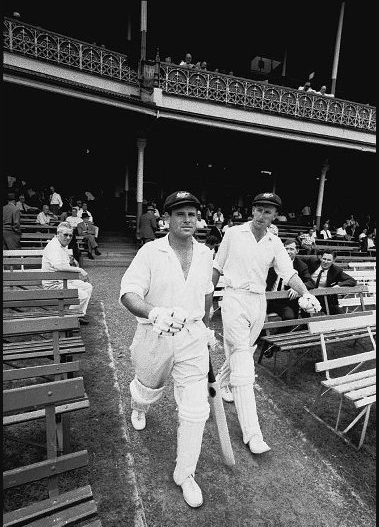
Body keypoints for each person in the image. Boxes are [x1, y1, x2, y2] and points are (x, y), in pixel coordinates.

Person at [119, 190, 215, 508]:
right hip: (154, 334)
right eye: (180, 214)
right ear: (168, 219)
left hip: (191, 338)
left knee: (196, 409)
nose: (187, 220)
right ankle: (140, 406)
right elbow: (129, 292)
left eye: (192, 214)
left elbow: (206, 294)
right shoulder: (150, 251)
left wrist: (206, 325)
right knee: (146, 388)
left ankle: (185, 473)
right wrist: (154, 312)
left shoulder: (205, 254)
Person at [212, 192, 321, 448]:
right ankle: (253, 433)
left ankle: (218, 382)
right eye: (259, 209)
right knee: (243, 362)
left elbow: (289, 272)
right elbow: (217, 266)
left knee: (243, 351)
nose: (262, 215)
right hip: (234, 297)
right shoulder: (233, 234)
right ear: (252, 211)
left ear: (275, 216)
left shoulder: (274, 241)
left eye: (268, 211)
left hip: (258, 302)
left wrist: (307, 294)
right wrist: (204, 298)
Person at [41, 221, 93, 324]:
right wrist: (80, 269)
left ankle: (78, 315)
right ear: (58, 234)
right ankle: (69, 319)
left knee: (88, 287)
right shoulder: (54, 246)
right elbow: (58, 266)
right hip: (53, 284)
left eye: (70, 235)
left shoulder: (61, 245)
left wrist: (72, 261)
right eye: (65, 235)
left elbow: (64, 263)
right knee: (82, 295)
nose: (68, 238)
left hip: (63, 280)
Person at [266, 239, 315, 321]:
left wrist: (296, 288)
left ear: (297, 251)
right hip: (268, 299)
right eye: (286, 249)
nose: (288, 252)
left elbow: (311, 282)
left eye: (291, 249)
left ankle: (281, 334)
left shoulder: (301, 266)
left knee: (289, 317)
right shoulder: (273, 263)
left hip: (285, 302)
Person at [307, 250, 357, 314]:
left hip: (326, 299)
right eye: (324, 259)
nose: (325, 262)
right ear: (321, 258)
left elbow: (352, 281)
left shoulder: (336, 270)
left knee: (340, 316)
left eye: (329, 260)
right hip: (308, 297)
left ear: (333, 260)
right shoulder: (311, 264)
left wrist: (339, 285)